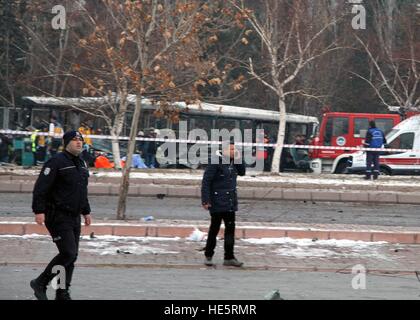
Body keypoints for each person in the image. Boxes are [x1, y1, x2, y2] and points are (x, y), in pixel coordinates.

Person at [30, 130, 92, 300]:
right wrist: (39, 210)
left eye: (81, 140)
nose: (79, 142)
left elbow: (81, 190)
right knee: (68, 253)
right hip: (56, 214)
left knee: (71, 256)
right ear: (66, 143)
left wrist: (86, 211)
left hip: (74, 216)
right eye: (75, 140)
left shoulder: (82, 163)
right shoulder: (56, 161)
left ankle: (62, 292)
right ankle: (40, 282)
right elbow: (41, 187)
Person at [201, 139, 246, 267]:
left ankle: (229, 257)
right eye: (231, 149)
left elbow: (242, 172)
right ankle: (209, 255)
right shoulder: (216, 161)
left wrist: (238, 158)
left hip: (230, 202)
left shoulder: (233, 161)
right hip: (216, 201)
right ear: (224, 150)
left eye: (235, 149)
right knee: (214, 229)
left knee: (230, 230)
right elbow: (206, 182)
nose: (234, 151)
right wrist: (206, 200)